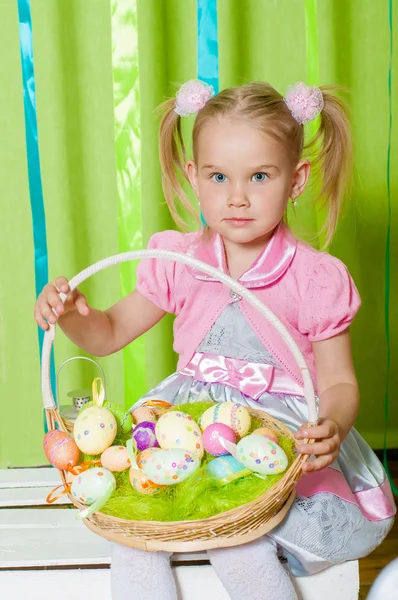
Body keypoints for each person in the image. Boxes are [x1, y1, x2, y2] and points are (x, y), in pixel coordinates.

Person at [34, 80, 395, 600]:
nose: (237, 197)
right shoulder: (179, 260)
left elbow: (339, 381)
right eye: (219, 176)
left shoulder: (314, 278)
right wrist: (69, 315)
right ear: (194, 178)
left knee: (238, 541)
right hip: (188, 425)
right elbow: (108, 332)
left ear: (296, 181)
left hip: (276, 433)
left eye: (260, 176)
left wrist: (332, 423)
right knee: (138, 537)